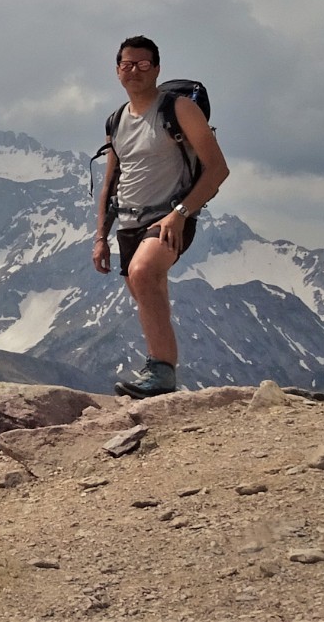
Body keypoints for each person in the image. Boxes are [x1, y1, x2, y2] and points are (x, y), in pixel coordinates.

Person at [93, 36, 229, 398]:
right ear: (117, 70)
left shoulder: (179, 109)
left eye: (142, 64)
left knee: (142, 273)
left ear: (156, 68)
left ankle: (161, 373)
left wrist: (180, 214)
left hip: (169, 218)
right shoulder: (116, 120)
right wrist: (99, 237)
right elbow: (110, 182)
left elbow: (217, 169)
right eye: (126, 64)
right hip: (128, 223)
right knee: (145, 289)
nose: (133, 70)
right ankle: (163, 378)